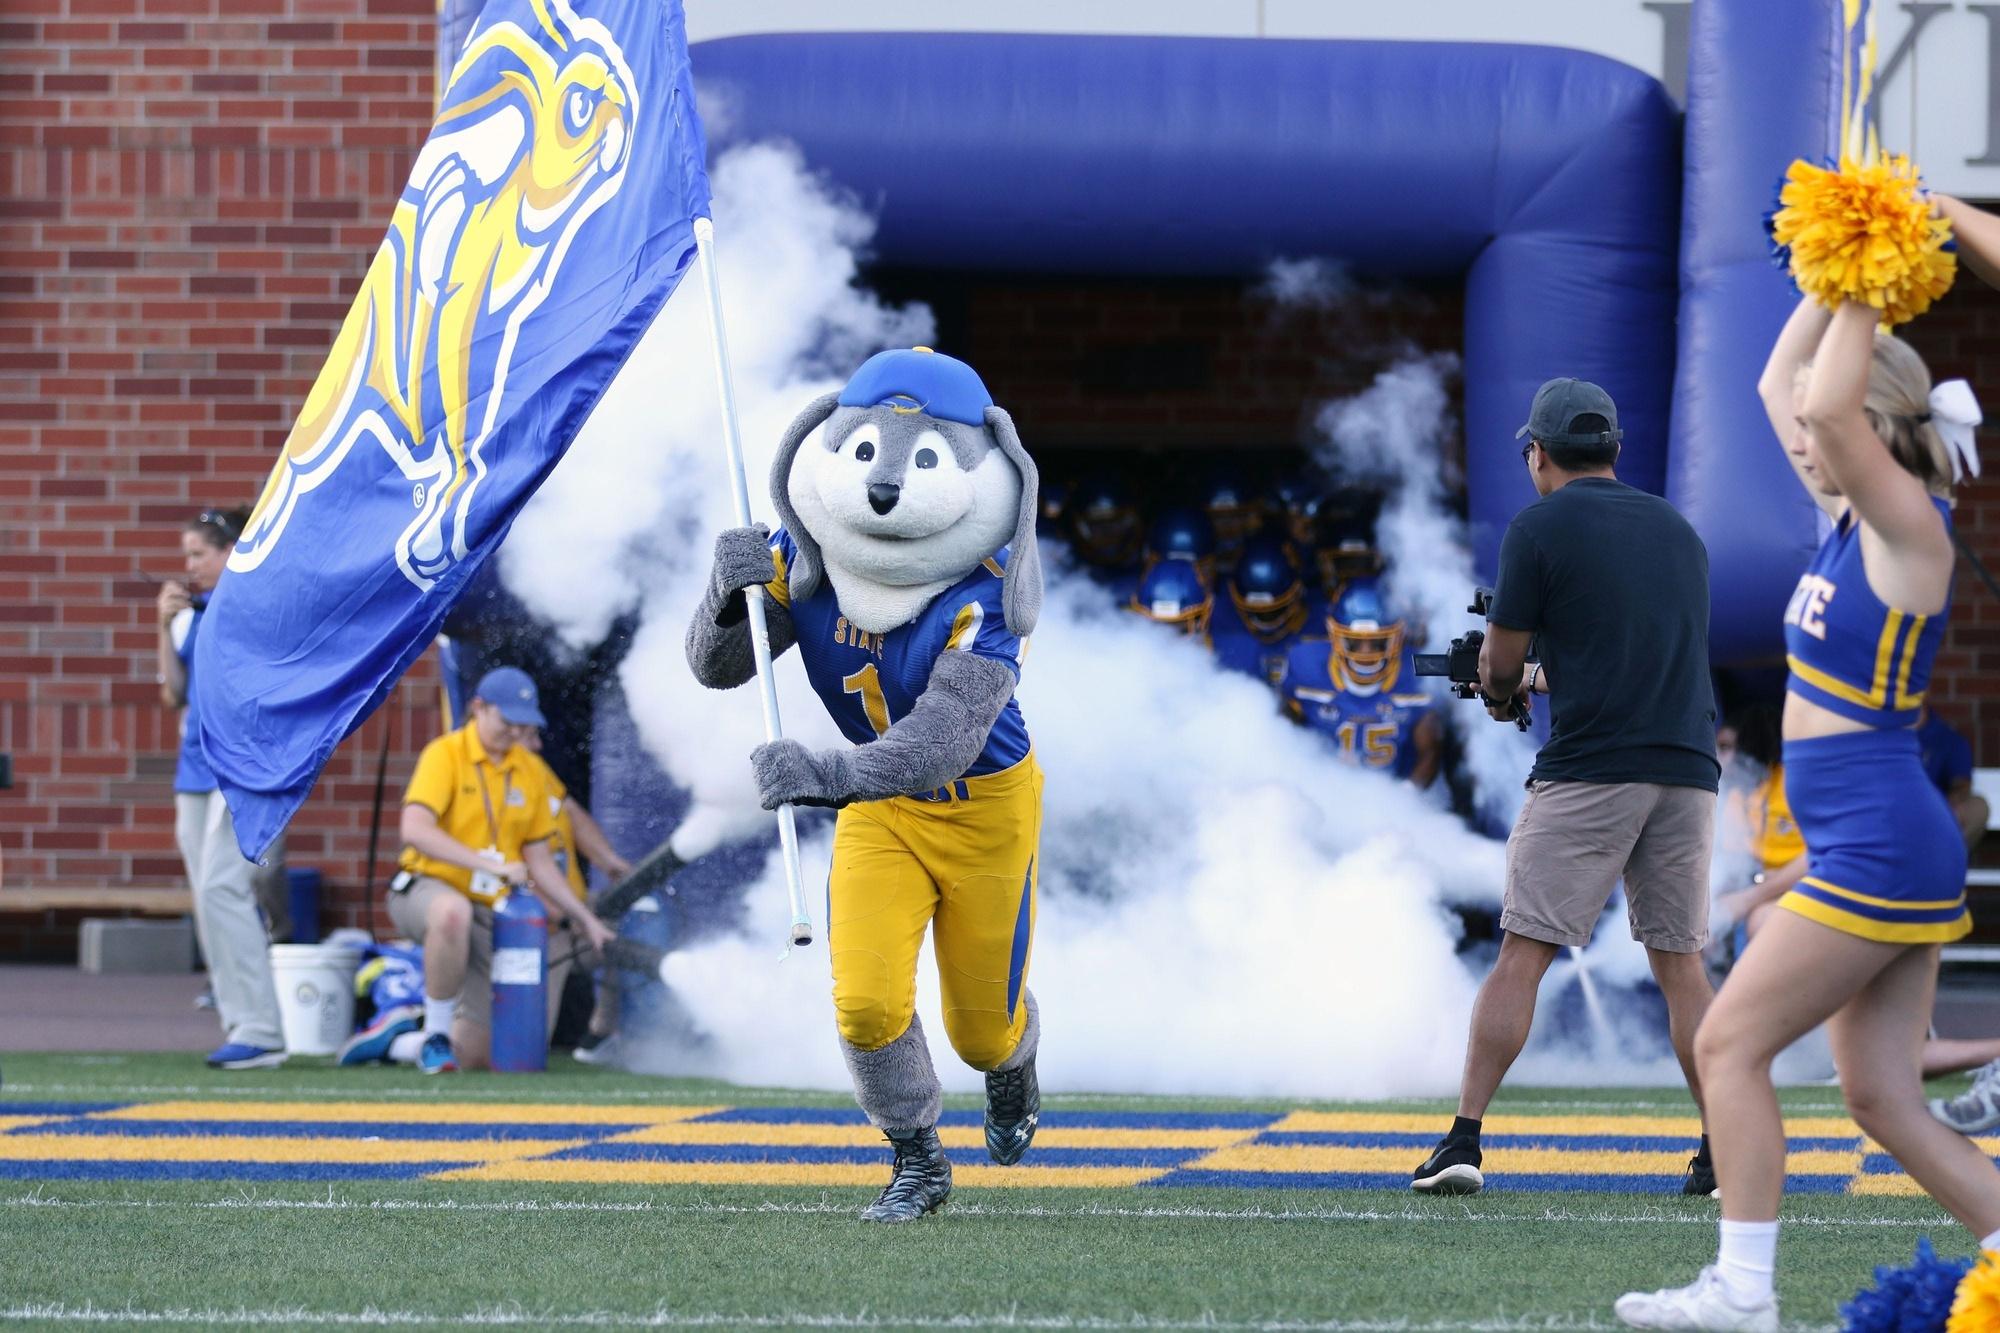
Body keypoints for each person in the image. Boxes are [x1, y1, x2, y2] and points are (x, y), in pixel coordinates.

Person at [1615, 293, 1986, 1331]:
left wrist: (1867, 280)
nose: (1799, 436)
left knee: (1726, 1044)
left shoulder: (1908, 525)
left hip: (1879, 841)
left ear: (1872, 424)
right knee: (1879, 1096)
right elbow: (1778, 386)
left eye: (1824, 424)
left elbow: (1819, 407)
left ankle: (1742, 1290)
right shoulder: (1848, 523)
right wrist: (1827, 281)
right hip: (1868, 840)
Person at [687, 347, 1046, 1223]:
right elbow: (720, 667)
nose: (884, 485)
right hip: (880, 809)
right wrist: (723, 596)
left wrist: (827, 774)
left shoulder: (984, 593)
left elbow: (942, 744)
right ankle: (916, 1158)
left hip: (982, 809)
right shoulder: (804, 554)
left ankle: (1013, 1061)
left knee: (979, 1031)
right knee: (865, 1002)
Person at [1414, 378, 1721, 1198]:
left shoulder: (1538, 528)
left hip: (1591, 769)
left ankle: (1463, 1138)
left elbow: (1501, 665)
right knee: (1683, 968)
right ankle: (1722, 1145)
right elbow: (1627, 661)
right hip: (1688, 769)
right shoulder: (1679, 530)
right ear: (1614, 447)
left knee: (1522, 954)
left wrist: (1500, 690)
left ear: (1538, 453)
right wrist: (1533, 677)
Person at [379, 666, 614, 1073]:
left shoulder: (529, 768)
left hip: (492, 908)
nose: (515, 732)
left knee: (487, 1054)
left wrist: (584, 918)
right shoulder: (445, 753)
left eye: (523, 724)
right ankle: (435, 1035)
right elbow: (414, 830)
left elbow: (540, 861)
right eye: (507, 721)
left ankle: (397, 1040)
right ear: (479, 708)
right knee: (451, 912)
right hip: (427, 886)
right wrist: (489, 864)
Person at [157, 504, 288, 1071]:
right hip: (195, 770)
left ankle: (261, 1028)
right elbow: (173, 694)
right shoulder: (193, 614)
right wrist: (162, 627)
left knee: (222, 887)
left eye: (199, 554)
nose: (189, 566)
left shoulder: (258, 607)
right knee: (208, 897)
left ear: (231, 552)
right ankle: (240, 1022)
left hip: (245, 768)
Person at [1275, 578, 1440, 788]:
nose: (1365, 654)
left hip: (1390, 792)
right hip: (1318, 788)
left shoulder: (1420, 673)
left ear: (1398, 638)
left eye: (1378, 642)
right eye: (1353, 642)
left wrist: (1406, 797)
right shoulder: (1304, 664)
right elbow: (1282, 729)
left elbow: (1430, 752)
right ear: (1333, 636)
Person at [1208, 534, 1310, 683]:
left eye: (1274, 611)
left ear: (1298, 590)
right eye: (1255, 611)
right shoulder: (1218, 617)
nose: (1265, 618)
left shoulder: (1321, 621)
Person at [1916, 704, 1990, 850]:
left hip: (1935, 818)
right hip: (1890, 813)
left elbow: (1961, 785)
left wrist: (1942, 807)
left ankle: (1939, 858)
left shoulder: (1947, 738)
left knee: (1978, 808)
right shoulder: (1881, 735)